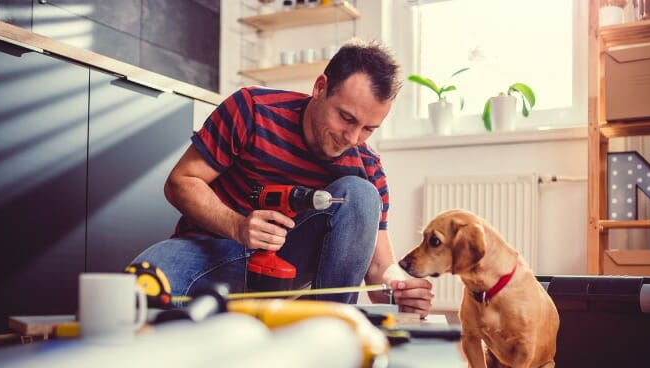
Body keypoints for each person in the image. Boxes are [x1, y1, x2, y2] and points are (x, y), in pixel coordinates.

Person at [131, 38, 433, 317]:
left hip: (286, 269)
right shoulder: (252, 109)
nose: (352, 138)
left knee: (361, 194)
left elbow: (380, 265)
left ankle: (328, 325)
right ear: (320, 87)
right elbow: (180, 181)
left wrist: (398, 289)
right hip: (210, 250)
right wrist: (237, 226)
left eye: (369, 129)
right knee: (139, 288)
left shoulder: (366, 165)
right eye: (346, 118)